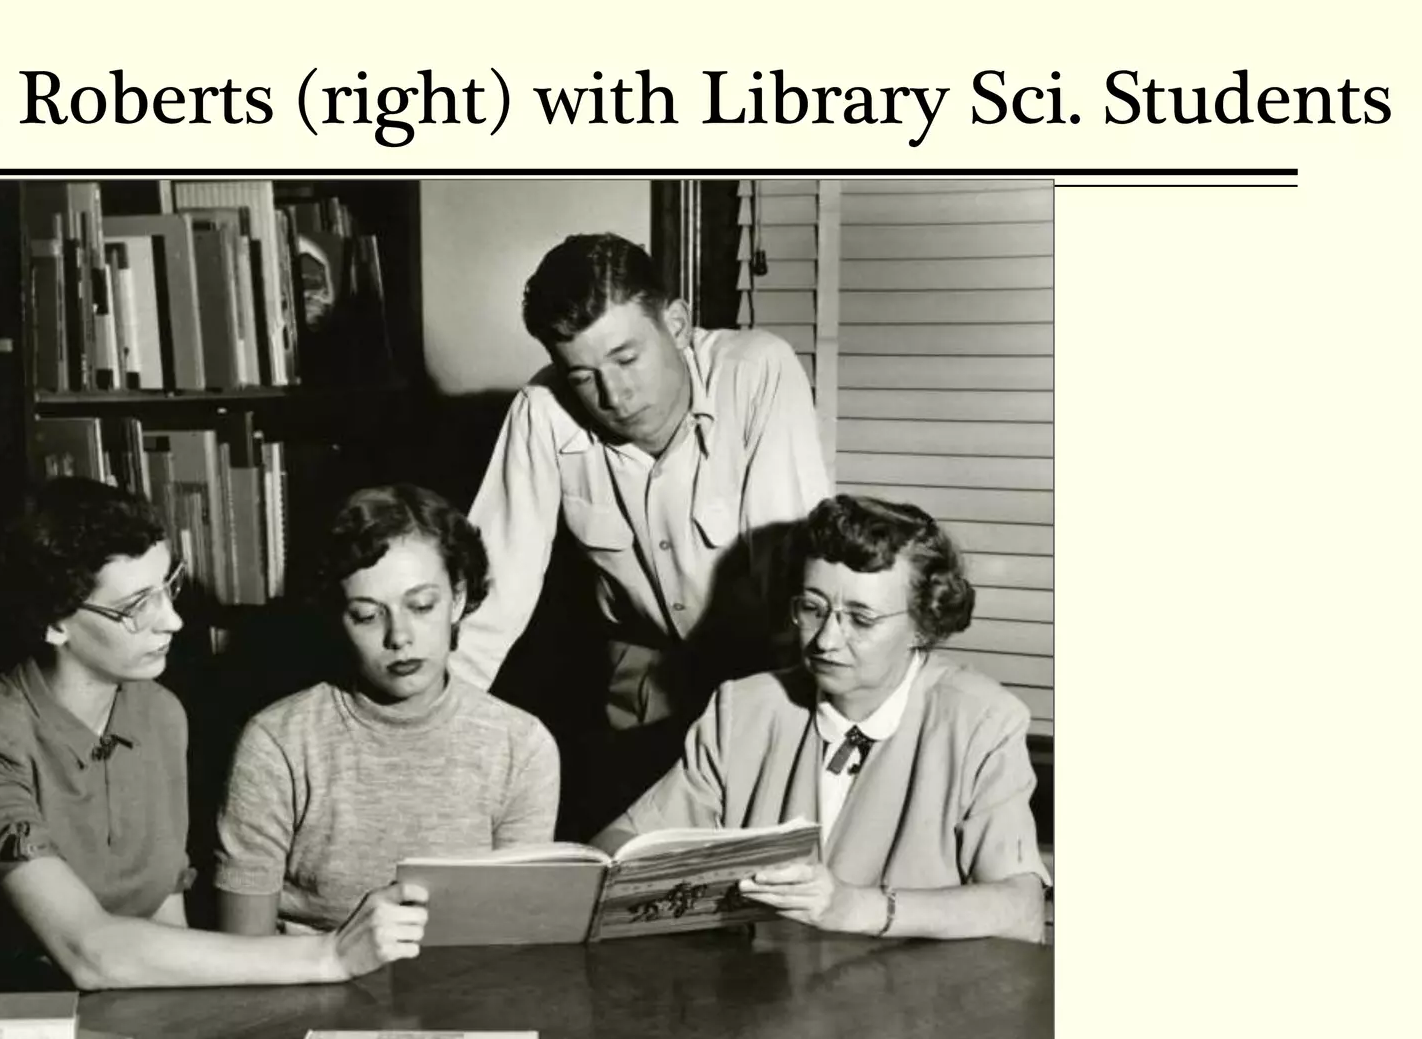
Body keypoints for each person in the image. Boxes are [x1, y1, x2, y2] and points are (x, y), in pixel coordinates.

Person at [0, 477, 427, 989]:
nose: (173, 621)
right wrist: (328, 956)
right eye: (137, 605)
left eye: (169, 587)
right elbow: (87, 951)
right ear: (54, 624)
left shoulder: (158, 713)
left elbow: (168, 924)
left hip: (125, 1015)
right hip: (11, 1022)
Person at [594, 494, 1049, 943]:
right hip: (759, 998)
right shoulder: (745, 707)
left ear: (922, 626)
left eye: (861, 619)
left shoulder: (982, 722)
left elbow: (1020, 908)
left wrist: (855, 907)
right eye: (813, 608)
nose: (826, 640)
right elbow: (621, 842)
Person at [454, 232, 833, 736]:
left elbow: (792, 576)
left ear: (676, 324)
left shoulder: (757, 372)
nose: (613, 395)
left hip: (761, 680)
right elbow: (492, 593)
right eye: (583, 377)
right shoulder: (541, 410)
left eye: (626, 359)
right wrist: (431, 728)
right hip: (638, 691)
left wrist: (804, 725)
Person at [215, 484, 561, 935]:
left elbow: (514, 936)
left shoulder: (522, 745)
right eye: (366, 614)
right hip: (303, 986)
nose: (399, 637)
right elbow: (243, 953)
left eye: (420, 605)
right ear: (338, 618)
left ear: (457, 599)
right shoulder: (277, 741)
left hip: (465, 990)